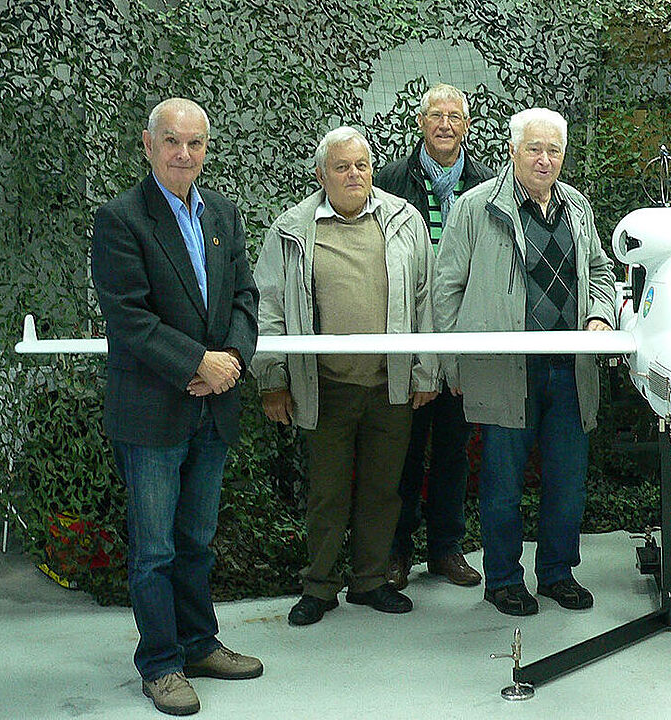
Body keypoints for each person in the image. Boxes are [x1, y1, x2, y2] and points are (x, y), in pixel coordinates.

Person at [91, 97, 262, 716]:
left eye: (195, 143)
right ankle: (161, 664)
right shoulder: (120, 219)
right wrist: (198, 363)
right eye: (172, 141)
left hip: (212, 408)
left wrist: (230, 360)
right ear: (148, 144)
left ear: (206, 148)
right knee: (155, 550)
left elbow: (245, 298)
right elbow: (129, 317)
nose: (184, 154)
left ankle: (199, 644)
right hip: (152, 412)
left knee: (196, 541)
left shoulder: (222, 212)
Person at [252, 126, 438, 626]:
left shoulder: (404, 220)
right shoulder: (292, 229)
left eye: (361, 165)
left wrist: (426, 371)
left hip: (390, 384)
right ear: (321, 175)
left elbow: (426, 299)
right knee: (326, 493)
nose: (354, 174)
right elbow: (269, 306)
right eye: (341, 167)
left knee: (383, 489)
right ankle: (319, 586)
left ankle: (371, 581)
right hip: (325, 387)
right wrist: (272, 378)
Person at [434, 108, 617, 616]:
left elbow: (601, 272)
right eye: (534, 148)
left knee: (567, 482)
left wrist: (600, 316)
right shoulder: (476, 207)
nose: (544, 159)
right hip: (504, 368)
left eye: (554, 150)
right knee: (501, 484)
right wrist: (452, 364)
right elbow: (446, 289)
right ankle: (503, 580)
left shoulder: (577, 206)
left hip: (570, 368)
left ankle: (557, 573)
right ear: (512, 150)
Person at [374, 83, 493, 590]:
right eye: (436, 116)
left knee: (453, 450)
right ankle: (396, 552)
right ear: (420, 123)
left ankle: (446, 549)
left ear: (467, 126)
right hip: (410, 332)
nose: (445, 125)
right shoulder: (389, 182)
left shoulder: (487, 185)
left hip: (463, 335)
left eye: (455, 117)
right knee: (403, 449)